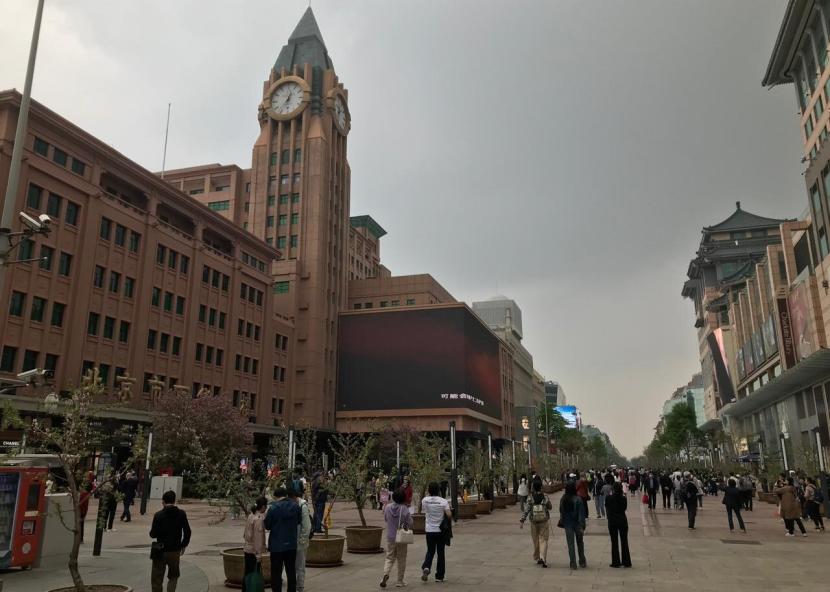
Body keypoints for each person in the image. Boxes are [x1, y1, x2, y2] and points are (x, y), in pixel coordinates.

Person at [150, 490, 192, 592]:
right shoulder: (181, 514)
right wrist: (183, 545)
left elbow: (153, 534)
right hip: (175, 549)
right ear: (174, 501)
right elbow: (187, 531)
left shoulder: (158, 515)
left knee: (156, 577)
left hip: (160, 548)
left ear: (163, 501)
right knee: (174, 575)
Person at [264, 486, 302, 592]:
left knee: (276, 572)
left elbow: (267, 525)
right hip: (291, 544)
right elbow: (299, 521)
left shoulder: (273, 508)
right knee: (291, 571)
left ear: (276, 496)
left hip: (277, 546)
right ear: (285, 495)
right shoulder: (295, 506)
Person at [381, 487, 413, 588]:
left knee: (389, 557)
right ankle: (400, 581)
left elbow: (386, 519)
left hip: (390, 536)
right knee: (401, 559)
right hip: (401, 538)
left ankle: (385, 574)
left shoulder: (387, 507)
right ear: (404, 498)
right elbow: (410, 523)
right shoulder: (405, 509)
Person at [421, 482, 452, 583]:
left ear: (429, 490)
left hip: (429, 530)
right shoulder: (443, 501)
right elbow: (449, 515)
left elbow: (425, 510)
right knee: (440, 552)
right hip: (440, 531)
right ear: (439, 490)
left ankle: (426, 566)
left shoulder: (425, 500)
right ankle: (439, 576)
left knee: (430, 550)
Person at [519, 480, 552, 567]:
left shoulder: (530, 498)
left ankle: (537, 557)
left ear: (533, 487)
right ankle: (543, 557)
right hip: (544, 521)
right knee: (544, 539)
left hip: (533, 522)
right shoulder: (545, 497)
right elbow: (550, 507)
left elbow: (526, 510)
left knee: (535, 540)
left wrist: (522, 521)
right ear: (541, 487)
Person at [559, 481, 587, 570]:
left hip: (568, 524)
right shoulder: (578, 499)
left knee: (570, 544)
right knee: (580, 543)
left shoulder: (563, 498)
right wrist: (583, 526)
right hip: (577, 524)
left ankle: (573, 563)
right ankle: (582, 561)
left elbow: (561, 510)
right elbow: (581, 514)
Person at [243, 496, 268, 592]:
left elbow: (245, 534)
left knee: (248, 574)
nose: (266, 509)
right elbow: (258, 539)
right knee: (253, 575)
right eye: (265, 507)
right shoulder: (258, 520)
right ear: (262, 507)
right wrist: (258, 555)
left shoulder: (251, 515)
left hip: (247, 549)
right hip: (253, 551)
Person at [604, 481, 631, 568]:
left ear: (613, 489)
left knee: (614, 542)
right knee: (624, 541)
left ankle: (616, 562)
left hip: (612, 521)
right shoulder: (624, 498)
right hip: (622, 520)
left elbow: (607, 507)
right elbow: (624, 508)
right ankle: (626, 561)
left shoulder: (608, 498)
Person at [290, 486, 311, 592]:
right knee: (293, 566)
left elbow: (307, 527)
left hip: (300, 542)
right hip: (292, 542)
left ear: (294, 497)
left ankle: (300, 586)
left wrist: (302, 540)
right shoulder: (292, 505)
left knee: (300, 566)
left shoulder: (303, 506)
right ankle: (294, 585)